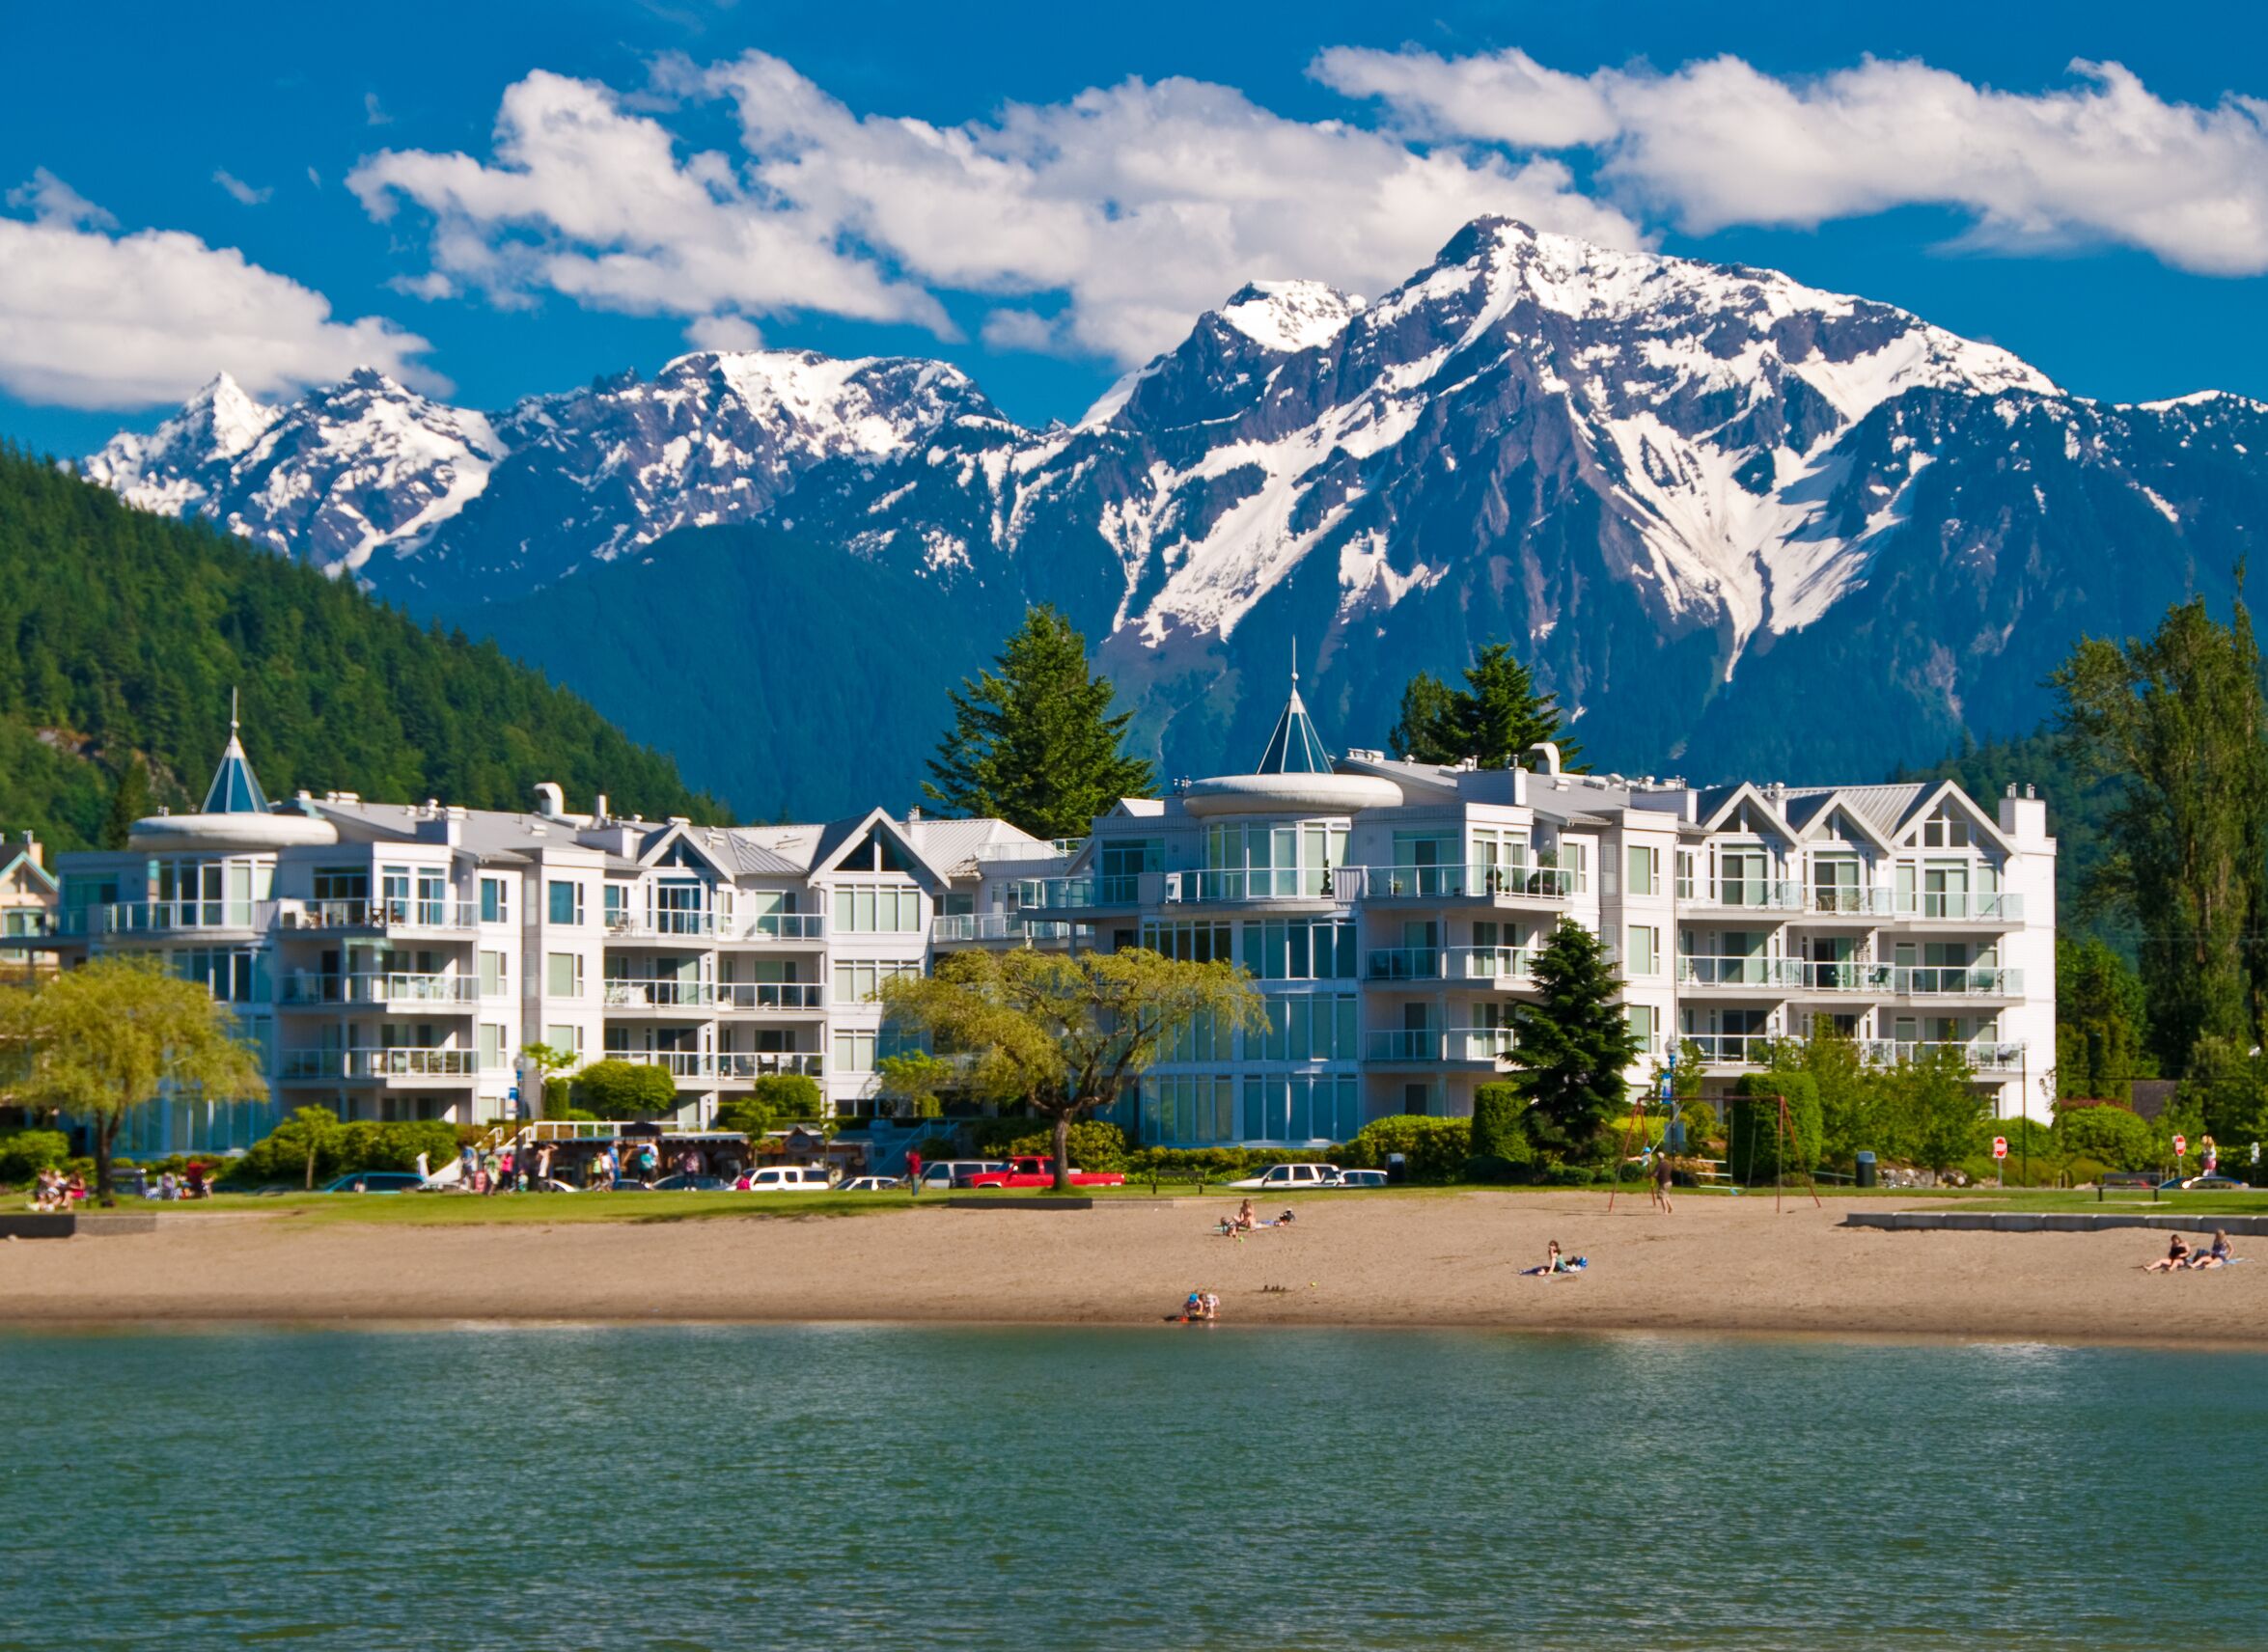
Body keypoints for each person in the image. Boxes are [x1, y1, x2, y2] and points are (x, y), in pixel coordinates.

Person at [1650, 1150, 1674, 1214]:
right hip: (1669, 1182)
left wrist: (1650, 1175)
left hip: (1663, 1182)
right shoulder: (1668, 1164)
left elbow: (1655, 1174)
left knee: (1662, 1196)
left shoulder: (1659, 1165)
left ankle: (1665, 1210)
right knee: (1666, 1195)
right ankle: (1670, 1208)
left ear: (1658, 1157)